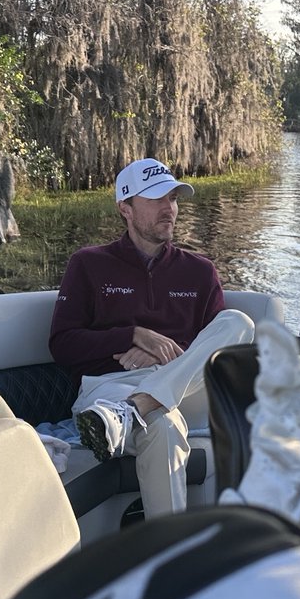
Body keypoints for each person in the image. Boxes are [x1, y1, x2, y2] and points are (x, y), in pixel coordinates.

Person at [49, 158, 255, 517]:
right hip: (111, 388)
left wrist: (165, 356)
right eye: (157, 198)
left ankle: (136, 409)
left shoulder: (200, 271)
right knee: (161, 426)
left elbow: (216, 347)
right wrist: (133, 336)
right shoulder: (88, 264)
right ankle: (169, 556)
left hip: (184, 389)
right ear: (125, 207)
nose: (169, 209)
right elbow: (63, 344)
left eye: (173, 198)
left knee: (238, 322)